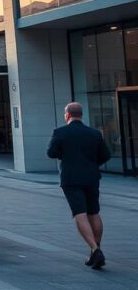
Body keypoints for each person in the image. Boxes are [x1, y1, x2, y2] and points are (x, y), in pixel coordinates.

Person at [47, 102, 112, 269]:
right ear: (81, 115)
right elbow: (106, 155)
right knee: (94, 212)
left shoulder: (60, 132)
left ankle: (95, 249)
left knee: (80, 214)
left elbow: (51, 153)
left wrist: (65, 155)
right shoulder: (94, 133)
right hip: (91, 178)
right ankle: (95, 250)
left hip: (71, 179)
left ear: (67, 115)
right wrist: (91, 164)